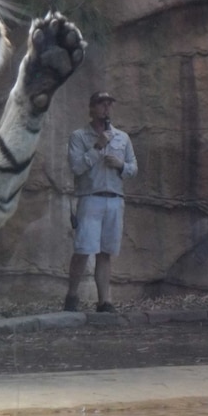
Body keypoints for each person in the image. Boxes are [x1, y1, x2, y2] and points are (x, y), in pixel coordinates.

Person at [63, 91, 138, 313]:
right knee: (83, 250)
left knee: (105, 252)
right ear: (92, 108)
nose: (106, 108)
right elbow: (76, 167)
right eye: (101, 104)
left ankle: (104, 302)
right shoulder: (79, 136)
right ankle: (72, 296)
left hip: (114, 199)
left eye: (109, 104)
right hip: (90, 198)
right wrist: (97, 147)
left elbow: (134, 168)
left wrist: (121, 165)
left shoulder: (122, 138)